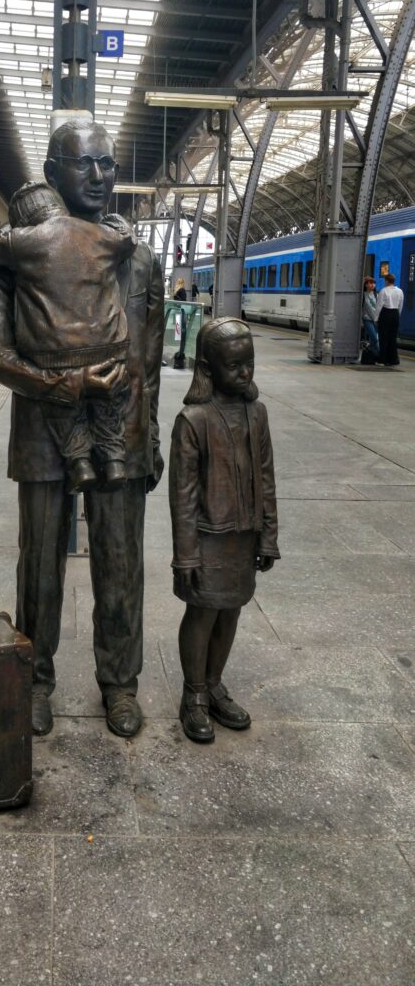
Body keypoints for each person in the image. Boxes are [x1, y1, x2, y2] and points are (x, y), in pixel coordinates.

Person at [0, 117, 165, 739]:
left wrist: (154, 434)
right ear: (52, 173)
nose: (100, 176)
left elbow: (151, 355)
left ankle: (121, 683)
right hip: (43, 423)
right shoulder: (15, 252)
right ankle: (35, 678)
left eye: (108, 163)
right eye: (84, 164)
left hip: (126, 424)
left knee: (121, 559)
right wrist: (65, 385)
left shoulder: (139, 257)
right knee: (40, 561)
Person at [169, 318, 279, 744]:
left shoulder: (258, 413)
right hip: (206, 536)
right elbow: (182, 496)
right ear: (209, 369)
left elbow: (267, 477)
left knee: (231, 608)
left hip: (243, 535)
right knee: (202, 613)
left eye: (249, 364)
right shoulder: (193, 420)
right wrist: (186, 554)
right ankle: (193, 694)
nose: (245, 374)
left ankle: (214, 684)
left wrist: (268, 534)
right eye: (235, 366)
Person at [0, 180, 136, 493]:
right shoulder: (101, 235)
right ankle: (113, 458)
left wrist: (7, 230)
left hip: (55, 355)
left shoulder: (22, 242)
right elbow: (127, 238)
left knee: (64, 414)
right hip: (109, 347)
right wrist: (116, 221)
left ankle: (79, 461)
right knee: (112, 398)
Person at [375, 272, 404, 367]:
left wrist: (376, 318)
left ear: (386, 281)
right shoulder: (400, 291)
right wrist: (397, 315)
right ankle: (393, 360)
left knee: (383, 338)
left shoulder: (383, 291)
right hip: (395, 314)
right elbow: (400, 305)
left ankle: (382, 360)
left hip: (385, 314)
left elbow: (379, 306)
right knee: (392, 338)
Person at [361, 276, 379, 362]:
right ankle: (378, 355)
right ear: (366, 285)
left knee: (374, 340)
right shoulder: (363, 295)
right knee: (374, 338)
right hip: (367, 319)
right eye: (370, 283)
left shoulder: (376, 294)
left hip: (376, 320)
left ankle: (372, 357)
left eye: (373, 283)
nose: (372, 285)